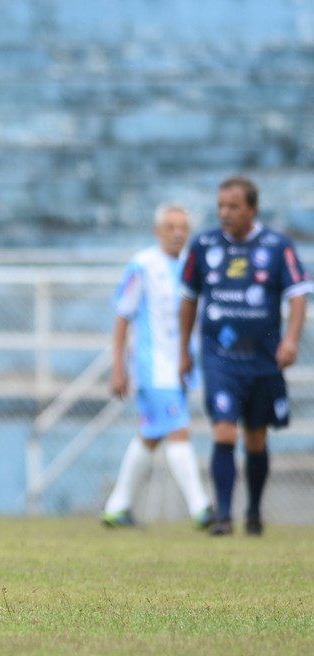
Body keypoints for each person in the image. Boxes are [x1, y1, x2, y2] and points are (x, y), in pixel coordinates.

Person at [179, 176, 313, 536]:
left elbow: (298, 294)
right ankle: (223, 516)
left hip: (263, 358)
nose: (225, 212)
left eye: (234, 206)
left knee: (256, 437)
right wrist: (184, 352)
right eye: (221, 205)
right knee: (223, 430)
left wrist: (290, 341)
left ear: (252, 209)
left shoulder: (276, 245)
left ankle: (253, 510)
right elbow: (188, 298)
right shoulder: (203, 245)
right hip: (219, 356)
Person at [101, 204, 215, 530]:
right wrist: (118, 366)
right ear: (157, 231)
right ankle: (201, 509)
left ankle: (116, 506)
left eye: (183, 227)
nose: (178, 233)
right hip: (153, 367)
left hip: (180, 367)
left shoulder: (190, 266)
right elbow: (123, 314)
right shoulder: (143, 265)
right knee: (178, 429)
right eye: (171, 227)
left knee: (150, 435)